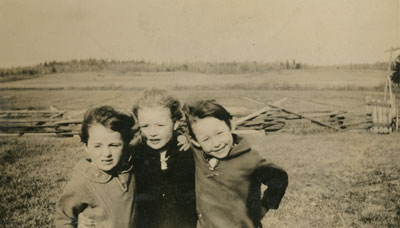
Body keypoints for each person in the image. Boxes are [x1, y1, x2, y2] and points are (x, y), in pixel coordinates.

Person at [183, 99, 288, 228]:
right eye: (206, 139)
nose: (216, 143)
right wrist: (181, 137)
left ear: (231, 126)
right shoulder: (198, 154)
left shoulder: (250, 160)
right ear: (196, 142)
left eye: (219, 133)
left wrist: (264, 206)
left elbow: (279, 178)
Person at [55, 106, 137, 228]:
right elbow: (63, 218)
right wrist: (78, 223)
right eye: (97, 146)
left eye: (114, 145)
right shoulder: (82, 181)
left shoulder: (130, 167)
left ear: (125, 145)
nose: (107, 153)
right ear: (86, 146)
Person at [132, 88, 197, 228]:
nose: (153, 133)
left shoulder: (189, 154)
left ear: (175, 124)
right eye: (145, 126)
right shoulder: (134, 157)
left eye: (160, 125)